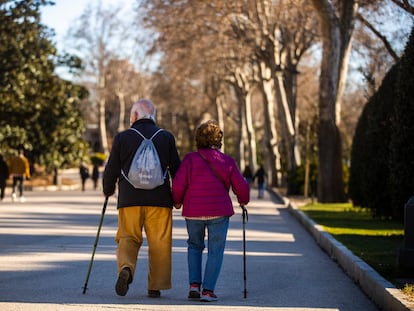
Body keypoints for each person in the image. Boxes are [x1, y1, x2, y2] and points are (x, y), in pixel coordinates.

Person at [103, 98, 181, 298]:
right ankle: (156, 286)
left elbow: (111, 167)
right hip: (160, 200)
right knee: (160, 242)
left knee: (127, 237)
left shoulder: (122, 138)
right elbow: (177, 170)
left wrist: (108, 189)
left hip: (130, 199)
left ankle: (126, 268)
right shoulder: (166, 137)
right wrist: (178, 197)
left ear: (135, 116)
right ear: (153, 116)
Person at [172, 120, 250, 302]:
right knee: (216, 250)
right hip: (219, 212)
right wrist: (243, 201)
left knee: (194, 246)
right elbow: (242, 187)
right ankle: (207, 291)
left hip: (193, 211)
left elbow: (178, 185)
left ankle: (194, 285)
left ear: (198, 139)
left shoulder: (190, 159)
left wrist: (177, 201)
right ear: (218, 140)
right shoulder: (227, 161)